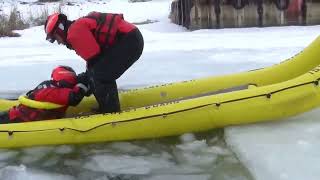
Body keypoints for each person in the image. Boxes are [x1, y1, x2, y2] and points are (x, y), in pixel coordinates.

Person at [44, 11, 144, 113]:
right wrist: (85, 80)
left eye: (55, 38)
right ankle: (109, 108)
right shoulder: (76, 29)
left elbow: (95, 62)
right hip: (131, 38)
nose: (58, 42)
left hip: (129, 40)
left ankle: (111, 112)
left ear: (59, 30)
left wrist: (86, 83)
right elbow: (94, 63)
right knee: (98, 73)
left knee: (100, 76)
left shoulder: (74, 33)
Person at [0, 66, 89, 124]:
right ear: (64, 82)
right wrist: (82, 84)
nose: (71, 86)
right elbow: (74, 98)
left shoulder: (50, 85)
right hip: (16, 119)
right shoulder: (52, 92)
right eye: (71, 83)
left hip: (16, 115)